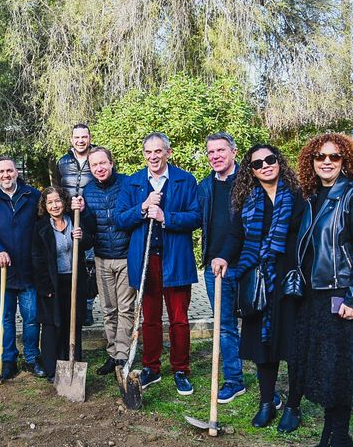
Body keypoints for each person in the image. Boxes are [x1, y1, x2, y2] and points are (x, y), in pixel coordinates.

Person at [293, 133, 353, 447]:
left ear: (347, 161)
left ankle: (341, 444)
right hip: (318, 297)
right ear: (311, 162)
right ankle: (330, 435)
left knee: (340, 372)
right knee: (326, 370)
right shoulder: (314, 196)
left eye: (334, 157)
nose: (326, 162)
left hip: (344, 294)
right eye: (319, 157)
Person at [115, 132, 201, 396]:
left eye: (158, 152)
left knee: (179, 319)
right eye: (148, 152)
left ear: (168, 153)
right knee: (149, 318)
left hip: (175, 259)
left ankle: (180, 369)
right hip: (145, 260)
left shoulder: (185, 180)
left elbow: (196, 216)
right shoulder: (133, 183)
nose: (153, 157)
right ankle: (151, 367)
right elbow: (120, 219)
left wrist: (166, 217)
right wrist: (142, 208)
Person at [231, 145, 304, 429]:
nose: (265, 166)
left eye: (270, 160)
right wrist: (223, 258)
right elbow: (236, 236)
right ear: (251, 171)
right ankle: (266, 403)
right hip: (259, 281)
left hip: (291, 281)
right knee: (264, 346)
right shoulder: (247, 200)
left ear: (279, 162)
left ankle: (293, 407)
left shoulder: (299, 196)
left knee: (294, 345)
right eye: (257, 163)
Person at [0, 155, 45, 379]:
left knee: (32, 316)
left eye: (9, 171)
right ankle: (8, 360)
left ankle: (33, 357)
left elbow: (43, 225)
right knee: (5, 317)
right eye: (1, 172)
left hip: (28, 267)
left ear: (16, 172)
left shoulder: (32, 195)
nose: (6, 175)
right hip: (1, 268)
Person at [196, 132, 246, 404]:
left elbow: (243, 229)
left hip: (246, 265)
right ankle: (235, 380)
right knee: (225, 327)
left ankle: (267, 380)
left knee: (254, 324)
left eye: (220, 151)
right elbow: (195, 216)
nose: (215, 156)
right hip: (214, 268)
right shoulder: (206, 186)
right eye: (211, 152)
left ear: (233, 152)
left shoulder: (249, 182)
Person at [75, 146, 134, 376]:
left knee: (126, 309)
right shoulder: (88, 191)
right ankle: (112, 354)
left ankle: (122, 356)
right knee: (109, 309)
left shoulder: (128, 184)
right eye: (94, 165)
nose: (99, 168)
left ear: (111, 163)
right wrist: (80, 214)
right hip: (101, 258)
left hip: (125, 257)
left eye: (102, 163)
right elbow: (88, 227)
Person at [31, 187, 93, 382]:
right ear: (45, 206)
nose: (54, 205)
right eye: (50, 202)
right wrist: (45, 287)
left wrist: (81, 237)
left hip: (75, 281)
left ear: (64, 202)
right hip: (52, 284)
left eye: (57, 201)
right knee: (52, 326)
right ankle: (52, 368)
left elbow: (90, 242)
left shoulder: (75, 221)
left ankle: (72, 361)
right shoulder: (41, 228)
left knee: (72, 324)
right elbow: (37, 258)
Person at [55, 123, 96, 326]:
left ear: (89, 138)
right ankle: (70, 305)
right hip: (68, 218)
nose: (81, 141)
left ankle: (87, 307)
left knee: (89, 265)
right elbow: (57, 189)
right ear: (71, 139)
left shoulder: (96, 158)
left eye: (84, 137)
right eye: (77, 137)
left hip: (90, 218)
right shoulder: (62, 162)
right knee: (68, 261)